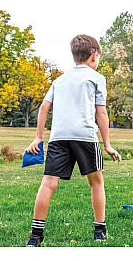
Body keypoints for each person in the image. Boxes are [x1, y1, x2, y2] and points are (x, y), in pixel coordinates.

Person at [26, 34, 121, 247]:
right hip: (85, 137)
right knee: (96, 182)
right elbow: (101, 113)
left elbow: (44, 107)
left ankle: (35, 235)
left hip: (58, 137)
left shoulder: (59, 80)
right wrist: (107, 145)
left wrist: (38, 137)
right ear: (94, 55)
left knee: (48, 184)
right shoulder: (97, 78)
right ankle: (99, 230)